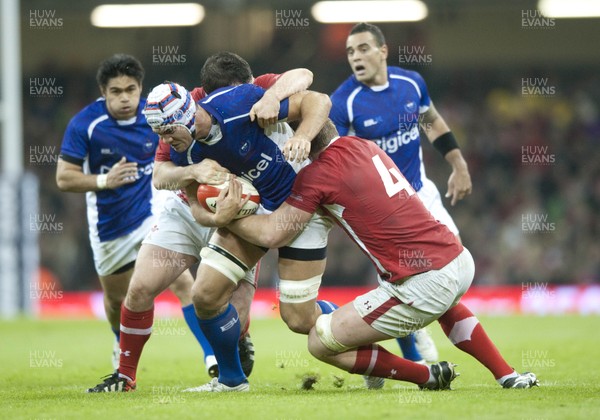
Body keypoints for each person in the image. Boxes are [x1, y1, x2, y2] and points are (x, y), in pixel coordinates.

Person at [220, 120, 539, 390]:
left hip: (419, 284)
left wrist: (225, 217)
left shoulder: (317, 175)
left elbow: (274, 233)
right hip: (456, 259)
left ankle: (425, 376)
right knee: (444, 302)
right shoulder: (363, 145)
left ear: (297, 139)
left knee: (320, 342)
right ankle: (508, 375)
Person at [86, 58, 316, 392]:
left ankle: (235, 356)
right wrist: (193, 172)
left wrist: (270, 98)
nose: (245, 95)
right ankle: (125, 377)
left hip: (243, 211)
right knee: (138, 289)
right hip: (186, 205)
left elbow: (304, 74)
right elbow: (162, 175)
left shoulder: (252, 90)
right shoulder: (176, 108)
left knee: (225, 311)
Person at [56, 54, 215, 376]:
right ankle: (122, 344)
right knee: (117, 301)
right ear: (104, 92)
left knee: (184, 282)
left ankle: (212, 358)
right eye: (116, 91)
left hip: (152, 211)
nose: (125, 97)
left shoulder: (156, 117)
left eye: (131, 89)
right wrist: (104, 180)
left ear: (141, 88)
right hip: (109, 225)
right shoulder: (86, 124)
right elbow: (63, 178)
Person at [330, 22, 473, 371]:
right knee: (406, 277)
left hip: (420, 192)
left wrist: (459, 164)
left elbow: (434, 122)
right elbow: (334, 158)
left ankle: (417, 324)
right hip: (383, 211)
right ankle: (412, 346)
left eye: (363, 48)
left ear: (383, 51)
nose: (356, 57)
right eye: (350, 52)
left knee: (454, 267)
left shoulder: (411, 83)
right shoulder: (344, 102)